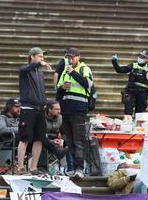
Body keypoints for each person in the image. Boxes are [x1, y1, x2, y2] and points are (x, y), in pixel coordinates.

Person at [15, 47, 68, 175]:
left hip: (40, 109)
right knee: (25, 138)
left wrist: (44, 102)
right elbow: (23, 69)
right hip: (28, 108)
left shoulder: (40, 73)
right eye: (39, 56)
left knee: (39, 139)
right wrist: (38, 64)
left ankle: (33, 167)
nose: (42, 59)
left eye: (42, 57)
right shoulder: (25, 71)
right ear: (32, 57)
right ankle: (20, 166)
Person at [55, 47, 93, 178]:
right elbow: (58, 93)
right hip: (66, 110)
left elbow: (87, 84)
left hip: (78, 110)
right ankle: (72, 168)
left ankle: (80, 168)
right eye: (68, 57)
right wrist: (61, 88)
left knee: (79, 141)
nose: (70, 59)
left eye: (72, 57)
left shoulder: (84, 69)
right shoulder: (65, 71)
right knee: (69, 141)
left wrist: (73, 73)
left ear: (78, 57)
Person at [112, 51, 148, 116]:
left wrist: (146, 92)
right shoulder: (133, 66)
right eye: (140, 56)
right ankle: (128, 124)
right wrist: (114, 62)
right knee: (128, 111)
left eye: (143, 57)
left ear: (147, 59)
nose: (140, 58)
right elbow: (120, 70)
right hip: (130, 91)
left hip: (142, 93)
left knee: (139, 114)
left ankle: (137, 125)